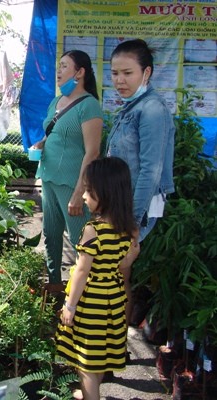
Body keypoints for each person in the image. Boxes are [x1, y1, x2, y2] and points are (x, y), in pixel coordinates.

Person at [56, 157, 140, 400]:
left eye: (89, 191)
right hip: (114, 299)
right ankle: (89, 393)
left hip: (91, 301)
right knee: (101, 355)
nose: (83, 196)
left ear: (107, 194)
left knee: (86, 362)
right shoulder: (130, 229)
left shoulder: (93, 230)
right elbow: (123, 265)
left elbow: (82, 271)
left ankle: (91, 395)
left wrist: (70, 305)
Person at [106, 39, 175, 323]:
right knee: (114, 275)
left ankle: (112, 347)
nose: (119, 80)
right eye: (114, 73)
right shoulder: (132, 106)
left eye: (127, 73)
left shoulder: (152, 111)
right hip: (118, 204)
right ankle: (110, 347)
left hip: (133, 209)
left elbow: (151, 171)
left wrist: (131, 221)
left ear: (146, 73)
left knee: (116, 274)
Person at [33, 50, 103, 294]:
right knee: (50, 234)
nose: (58, 72)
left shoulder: (90, 106)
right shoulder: (56, 101)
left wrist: (78, 192)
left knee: (79, 240)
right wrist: (41, 144)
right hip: (49, 178)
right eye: (58, 67)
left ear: (80, 72)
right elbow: (51, 132)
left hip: (72, 184)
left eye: (64, 66)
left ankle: (86, 294)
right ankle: (54, 284)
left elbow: (92, 152)